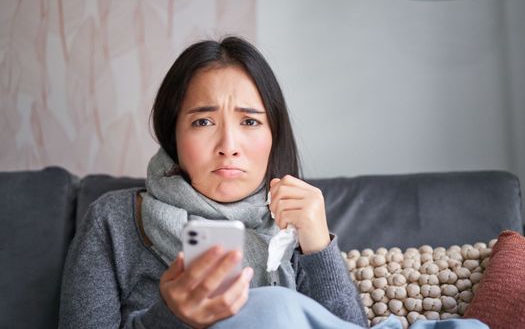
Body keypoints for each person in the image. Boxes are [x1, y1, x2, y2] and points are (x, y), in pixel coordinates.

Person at [58, 37, 487, 329]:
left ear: (273, 135)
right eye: (203, 121)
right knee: (274, 307)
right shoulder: (114, 219)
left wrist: (317, 243)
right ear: (174, 134)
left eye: (249, 121)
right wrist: (172, 316)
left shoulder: (289, 219)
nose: (229, 145)